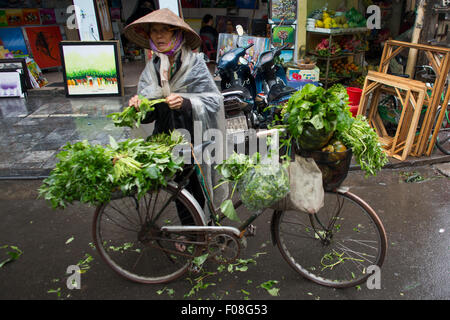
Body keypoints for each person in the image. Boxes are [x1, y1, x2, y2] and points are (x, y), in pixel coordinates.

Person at [123, 8, 227, 223]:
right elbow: (150, 114)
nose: (159, 36)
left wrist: (186, 102)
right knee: (180, 189)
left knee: (199, 185)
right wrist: (139, 107)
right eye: (154, 31)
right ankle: (191, 232)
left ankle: (204, 225)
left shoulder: (195, 63)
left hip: (196, 137)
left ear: (176, 34)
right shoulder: (152, 68)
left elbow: (213, 100)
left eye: (164, 30)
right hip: (167, 139)